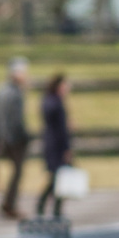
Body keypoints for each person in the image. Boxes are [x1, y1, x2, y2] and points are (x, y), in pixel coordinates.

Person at [0, 56, 31, 218]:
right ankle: (9, 204)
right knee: (17, 172)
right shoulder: (15, 93)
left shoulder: (0, 91)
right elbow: (16, 120)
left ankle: (8, 203)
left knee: (15, 172)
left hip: (2, 138)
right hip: (14, 139)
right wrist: (23, 136)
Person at [36, 72, 73, 218]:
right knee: (56, 179)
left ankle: (52, 208)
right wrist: (66, 148)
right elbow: (61, 129)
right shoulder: (55, 103)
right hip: (56, 146)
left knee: (58, 179)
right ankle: (47, 206)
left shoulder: (49, 101)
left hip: (52, 144)